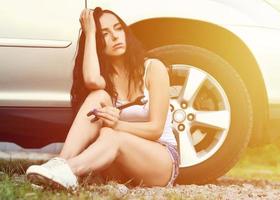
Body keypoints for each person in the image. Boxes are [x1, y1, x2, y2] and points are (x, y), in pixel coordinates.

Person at [26, 7, 179, 190]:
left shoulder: (153, 68)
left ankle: (67, 170)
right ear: (98, 43)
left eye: (118, 28)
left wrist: (116, 125)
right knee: (98, 96)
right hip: (118, 167)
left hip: (160, 160)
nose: (115, 36)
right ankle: (60, 163)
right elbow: (91, 80)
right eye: (105, 34)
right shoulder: (105, 80)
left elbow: (156, 129)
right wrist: (90, 33)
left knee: (110, 134)